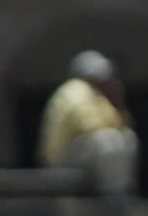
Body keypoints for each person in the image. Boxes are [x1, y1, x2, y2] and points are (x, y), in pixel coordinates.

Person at [40, 49, 139, 199]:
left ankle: (120, 189)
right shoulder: (74, 90)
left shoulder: (97, 96)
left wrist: (118, 107)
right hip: (61, 159)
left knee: (127, 137)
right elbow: (89, 126)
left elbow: (122, 126)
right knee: (106, 140)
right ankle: (112, 193)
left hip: (84, 154)